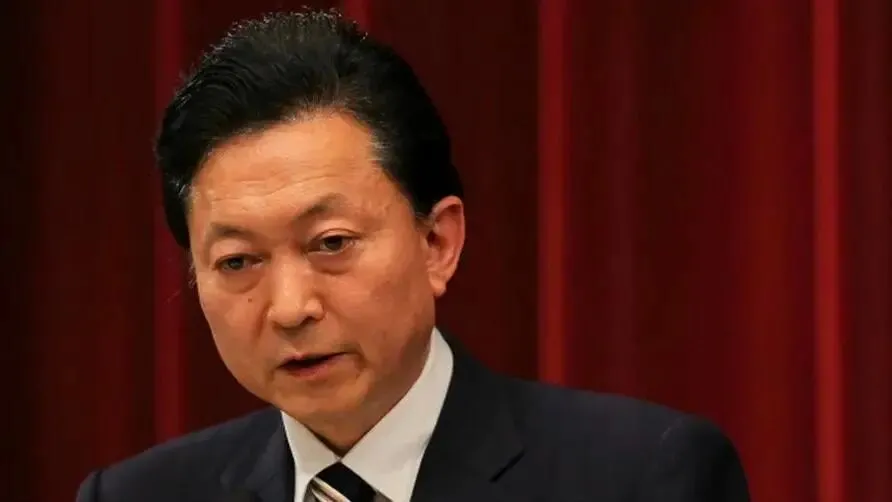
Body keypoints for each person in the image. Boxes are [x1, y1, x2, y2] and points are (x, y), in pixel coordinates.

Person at [77, 8, 749, 502]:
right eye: (238, 261)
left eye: (331, 244)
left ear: (438, 243)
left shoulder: (640, 478)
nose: (290, 308)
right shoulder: (136, 497)